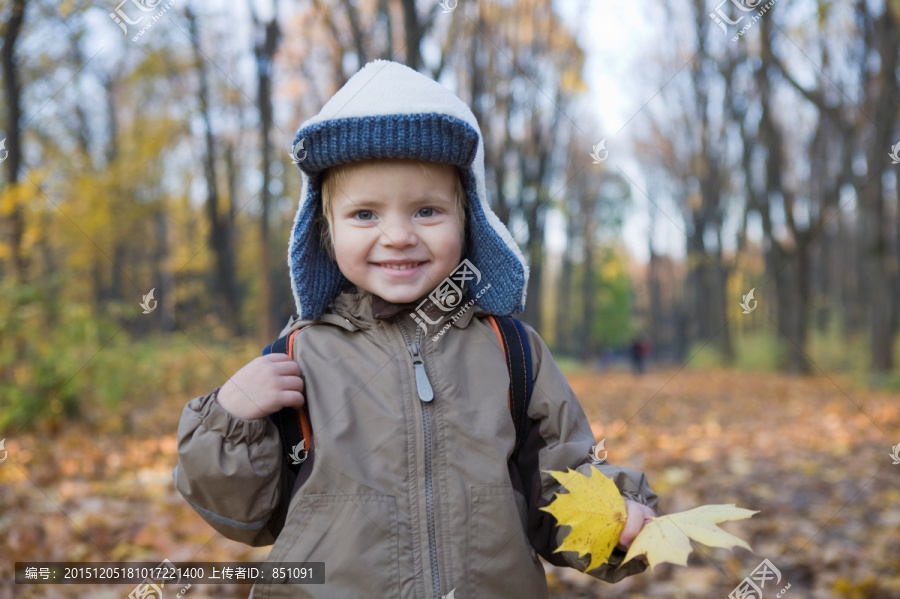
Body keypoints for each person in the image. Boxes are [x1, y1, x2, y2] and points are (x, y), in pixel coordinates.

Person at [174, 59, 658, 599]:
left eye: (427, 211)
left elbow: (560, 480)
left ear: (468, 220)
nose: (399, 236)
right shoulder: (297, 357)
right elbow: (244, 515)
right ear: (326, 233)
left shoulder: (512, 352)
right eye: (365, 215)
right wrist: (231, 420)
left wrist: (614, 520)